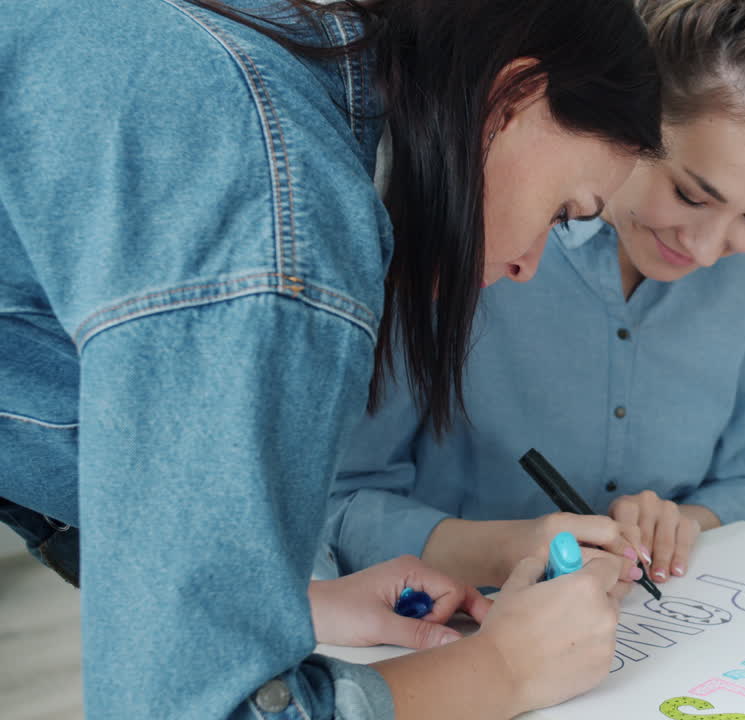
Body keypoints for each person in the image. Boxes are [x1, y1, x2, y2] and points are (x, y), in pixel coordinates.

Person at [0, 0, 663, 717]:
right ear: (510, 98)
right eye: (567, 210)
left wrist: (298, 602)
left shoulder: (235, 81)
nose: (531, 267)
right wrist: (502, 669)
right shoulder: (278, 211)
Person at [323, 0, 745, 591]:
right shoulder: (479, 235)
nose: (710, 251)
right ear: (629, 118)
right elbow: (342, 504)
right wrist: (512, 550)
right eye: (691, 196)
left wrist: (680, 525)